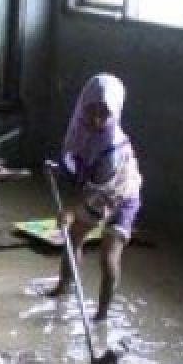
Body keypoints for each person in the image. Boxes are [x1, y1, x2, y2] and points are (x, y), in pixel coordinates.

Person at [47, 73, 143, 321]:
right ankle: (64, 286)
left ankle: (101, 314)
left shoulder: (112, 148)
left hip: (121, 195)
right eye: (92, 110)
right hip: (96, 190)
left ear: (115, 113)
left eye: (105, 114)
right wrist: (59, 169)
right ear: (82, 105)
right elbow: (75, 162)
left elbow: (101, 195)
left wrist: (71, 211)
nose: (97, 119)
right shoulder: (78, 127)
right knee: (74, 236)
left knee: (108, 253)